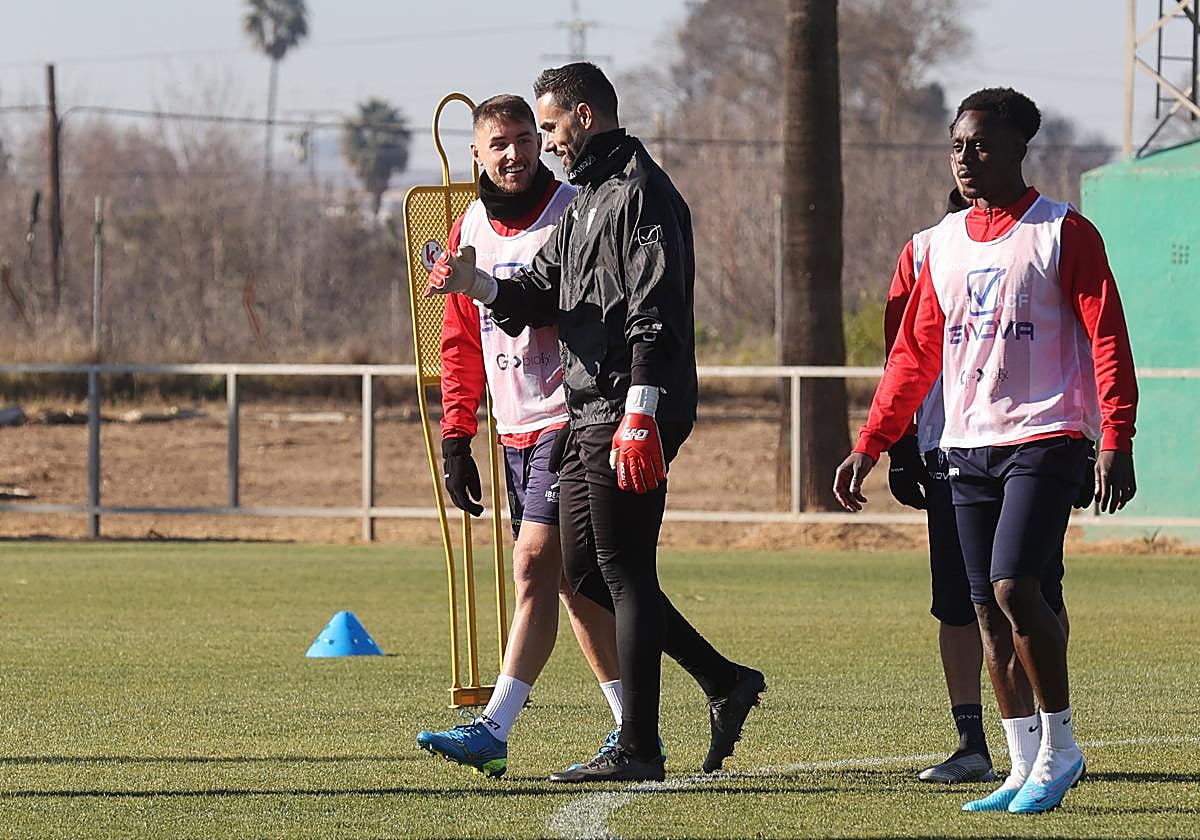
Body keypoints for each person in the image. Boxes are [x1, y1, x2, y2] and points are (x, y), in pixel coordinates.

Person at [427, 62, 766, 783]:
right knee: (582, 573)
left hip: (626, 410)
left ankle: (638, 747)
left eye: (548, 128)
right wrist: (474, 283)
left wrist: (641, 414)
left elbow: (655, 314)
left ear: (584, 117)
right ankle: (723, 680)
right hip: (589, 411)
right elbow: (538, 290)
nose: (545, 144)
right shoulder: (589, 198)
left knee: (622, 568)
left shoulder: (640, 193)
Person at [834, 87, 1137, 814]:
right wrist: (872, 443)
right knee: (986, 613)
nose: (965, 157)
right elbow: (913, 356)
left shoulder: (1063, 232)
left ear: (1017, 150)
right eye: (957, 145)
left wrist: (1115, 438)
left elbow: (1107, 339)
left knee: (1014, 585)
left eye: (980, 145)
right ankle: (1021, 763)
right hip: (965, 445)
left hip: (1045, 436)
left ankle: (1061, 750)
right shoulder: (940, 243)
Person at [415, 94, 623, 779]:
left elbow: (589, 310)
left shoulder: (573, 211)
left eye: (525, 139)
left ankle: (493, 728)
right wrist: (456, 436)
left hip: (572, 416)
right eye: (498, 144)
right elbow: (458, 341)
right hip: (513, 431)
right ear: (475, 153)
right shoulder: (469, 224)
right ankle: (637, 724)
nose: (514, 154)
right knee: (569, 583)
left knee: (532, 564)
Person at [885, 186, 1090, 785]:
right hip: (950, 449)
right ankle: (976, 743)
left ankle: (1051, 739)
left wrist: (1093, 438)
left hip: (1035, 444)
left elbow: (1088, 337)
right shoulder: (926, 250)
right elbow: (903, 351)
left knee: (1031, 589)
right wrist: (896, 445)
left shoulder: (1049, 237)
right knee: (965, 600)